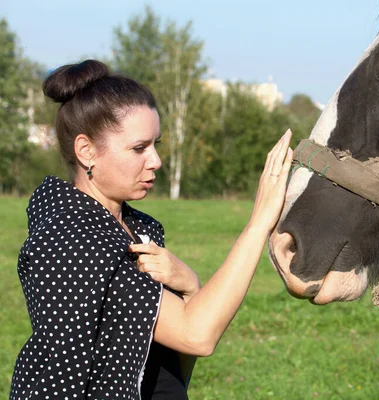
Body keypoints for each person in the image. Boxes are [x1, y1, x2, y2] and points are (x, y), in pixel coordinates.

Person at [9, 59, 293, 399]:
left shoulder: (133, 228)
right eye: (139, 148)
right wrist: (259, 221)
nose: (156, 161)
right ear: (86, 151)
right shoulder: (75, 242)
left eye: (155, 144)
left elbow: (167, 366)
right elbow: (196, 334)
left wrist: (189, 283)